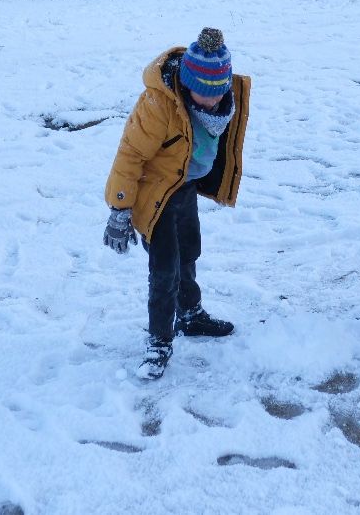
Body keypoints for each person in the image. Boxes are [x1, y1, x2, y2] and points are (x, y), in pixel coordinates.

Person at [103, 27, 250, 380]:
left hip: (184, 186)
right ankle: (159, 340)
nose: (213, 102)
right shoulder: (156, 105)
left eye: (218, 94)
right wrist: (119, 209)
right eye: (204, 95)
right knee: (165, 268)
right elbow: (130, 155)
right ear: (186, 84)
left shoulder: (220, 101)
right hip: (155, 195)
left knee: (189, 251)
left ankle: (190, 314)